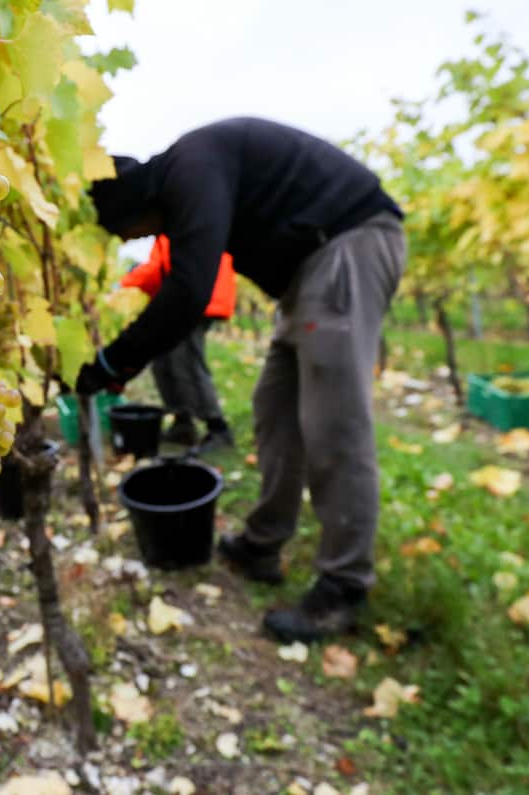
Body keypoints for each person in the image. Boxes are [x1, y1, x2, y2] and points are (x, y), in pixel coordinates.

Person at [77, 117, 406, 642]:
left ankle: (343, 585)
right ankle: (262, 543)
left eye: (121, 231)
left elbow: (189, 289)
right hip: (309, 272)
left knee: (333, 422)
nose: (129, 240)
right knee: (275, 409)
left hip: (350, 243)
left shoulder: (191, 165)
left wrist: (113, 363)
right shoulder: (190, 174)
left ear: (128, 207)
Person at [121, 238, 236, 451]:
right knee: (163, 361)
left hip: (196, 298)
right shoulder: (174, 222)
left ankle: (218, 428)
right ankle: (183, 423)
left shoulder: (179, 220)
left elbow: (158, 269)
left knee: (186, 363)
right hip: (185, 297)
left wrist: (125, 282)